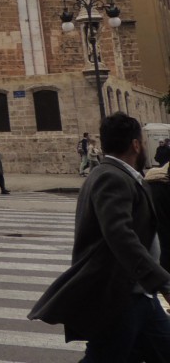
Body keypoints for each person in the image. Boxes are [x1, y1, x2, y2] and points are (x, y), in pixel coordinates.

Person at [30, 112, 170, 359]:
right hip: (119, 297)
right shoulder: (110, 177)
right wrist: (162, 281)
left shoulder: (119, 175)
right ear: (136, 144)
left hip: (138, 295)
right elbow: (120, 235)